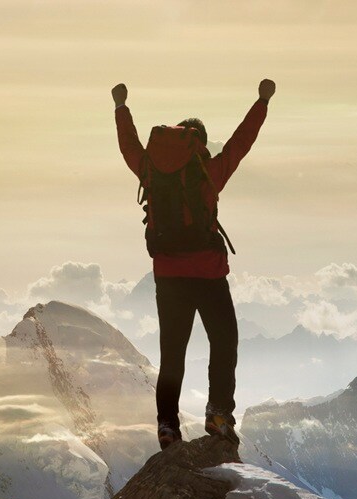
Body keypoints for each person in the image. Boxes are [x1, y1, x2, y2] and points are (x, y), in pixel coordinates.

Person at [112, 78, 275, 449]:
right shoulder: (208, 174)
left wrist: (120, 107)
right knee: (224, 341)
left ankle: (168, 425)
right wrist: (262, 101)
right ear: (199, 145)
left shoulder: (151, 170)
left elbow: (128, 145)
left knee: (172, 354)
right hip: (208, 274)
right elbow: (241, 143)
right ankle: (218, 415)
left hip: (168, 276)